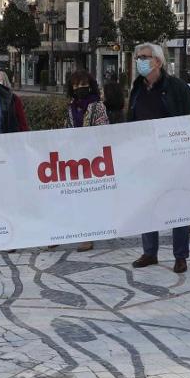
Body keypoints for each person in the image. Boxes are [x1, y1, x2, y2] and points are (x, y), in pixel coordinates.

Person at [128, 42, 190, 273]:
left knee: (177, 205)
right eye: (138, 57)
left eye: (145, 57)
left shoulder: (178, 87)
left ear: (158, 61)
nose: (140, 60)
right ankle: (150, 252)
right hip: (145, 157)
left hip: (173, 156)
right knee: (147, 205)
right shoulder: (137, 88)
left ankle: (180, 256)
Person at [64, 69, 111, 253]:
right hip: (75, 158)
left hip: (93, 158)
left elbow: (102, 129)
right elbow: (67, 129)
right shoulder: (71, 106)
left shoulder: (97, 106)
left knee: (89, 197)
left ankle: (88, 236)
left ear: (90, 86)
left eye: (83, 85)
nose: (79, 89)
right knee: (77, 196)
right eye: (76, 86)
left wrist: (88, 143)